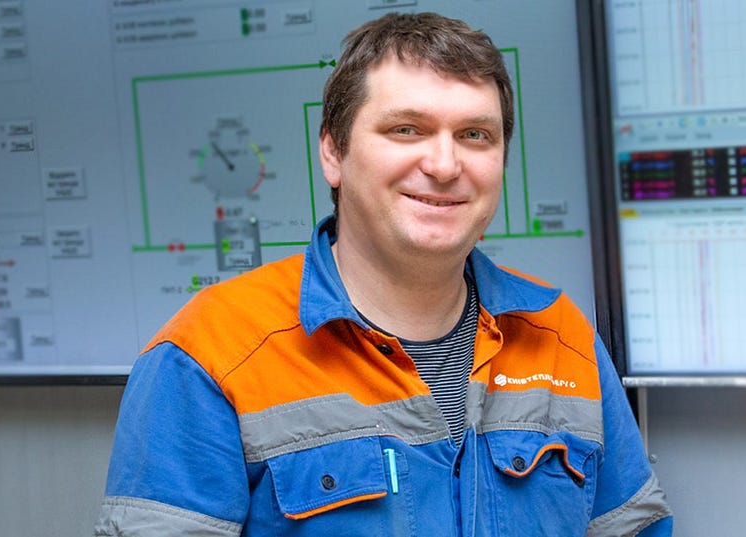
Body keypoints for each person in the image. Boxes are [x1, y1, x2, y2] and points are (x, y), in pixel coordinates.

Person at [96, 12, 672, 537]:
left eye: (475, 135)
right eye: (407, 130)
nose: (445, 165)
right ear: (333, 153)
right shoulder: (209, 354)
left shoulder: (559, 336)